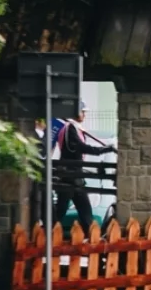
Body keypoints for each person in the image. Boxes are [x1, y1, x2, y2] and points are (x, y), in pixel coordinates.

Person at [54, 101, 115, 235]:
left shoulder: (74, 128)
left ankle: (93, 238)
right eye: (83, 112)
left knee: (85, 212)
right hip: (68, 176)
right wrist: (104, 149)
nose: (85, 115)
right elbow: (81, 148)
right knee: (60, 212)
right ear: (75, 112)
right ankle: (47, 236)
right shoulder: (69, 129)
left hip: (76, 176)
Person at [29, 117, 49, 229]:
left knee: (45, 202)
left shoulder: (45, 136)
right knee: (37, 202)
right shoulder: (33, 135)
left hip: (44, 175)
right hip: (36, 175)